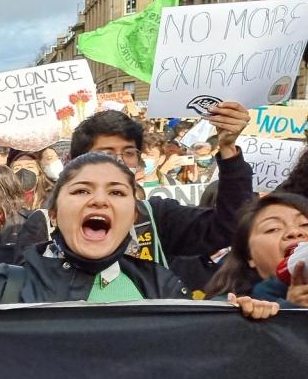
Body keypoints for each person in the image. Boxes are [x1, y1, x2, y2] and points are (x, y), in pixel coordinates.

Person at [0, 152, 280, 324]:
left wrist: (245, 324)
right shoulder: (2, 285)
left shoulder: (160, 287)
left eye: (117, 193)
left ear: (132, 216)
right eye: (82, 191)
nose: (100, 199)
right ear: (53, 213)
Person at [60, 106, 253, 267]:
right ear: (78, 162)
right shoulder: (48, 222)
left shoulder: (157, 217)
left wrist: (228, 150)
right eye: (107, 153)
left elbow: (229, 227)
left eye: (128, 153)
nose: (119, 162)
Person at [205, 192, 308, 308]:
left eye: (305, 224)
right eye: (272, 229)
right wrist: (291, 312)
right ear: (249, 256)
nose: (295, 232)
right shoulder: (228, 310)